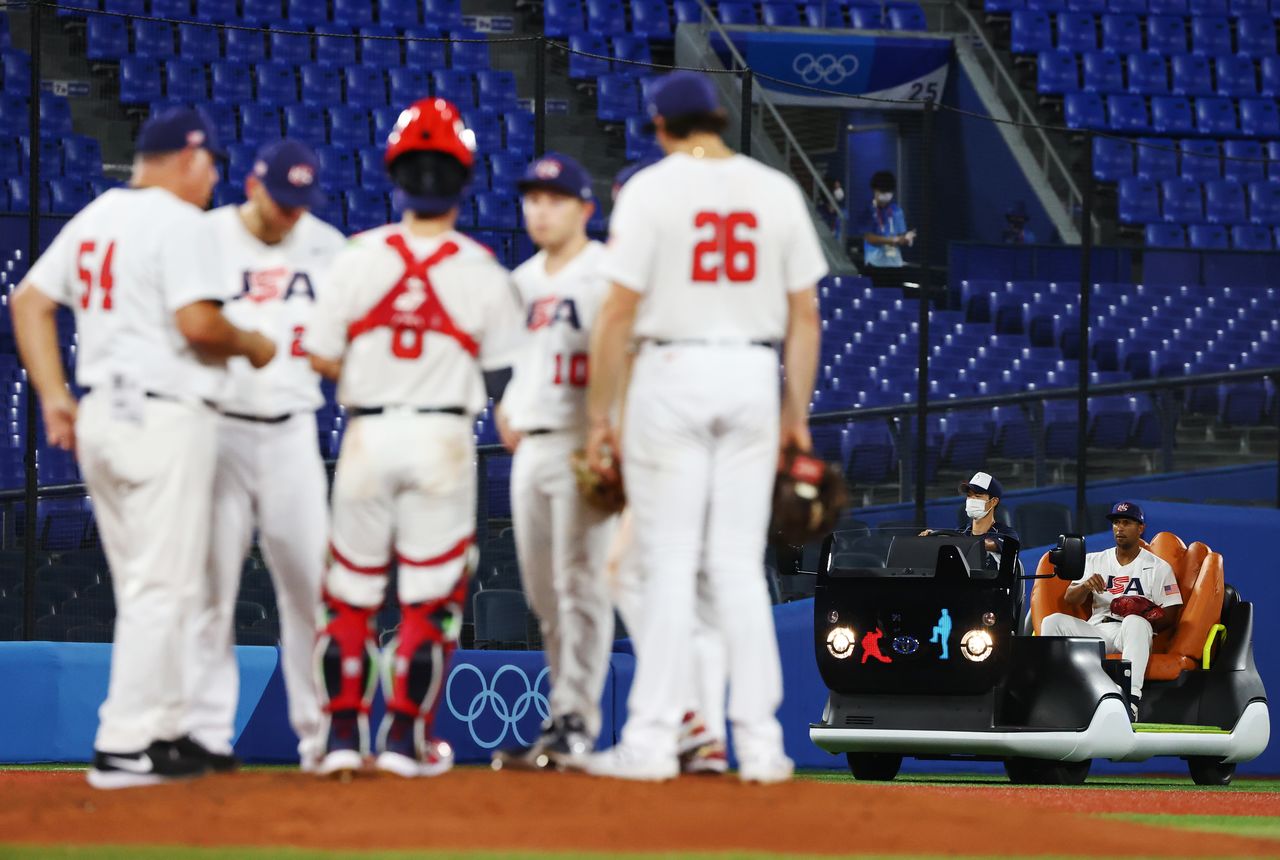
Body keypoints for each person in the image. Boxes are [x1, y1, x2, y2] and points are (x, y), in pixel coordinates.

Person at [10, 107, 277, 789]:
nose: (214, 177)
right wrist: (251, 341)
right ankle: (123, 742)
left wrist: (53, 395)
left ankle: (161, 732)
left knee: (146, 586)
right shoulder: (178, 222)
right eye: (211, 163)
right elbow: (198, 324)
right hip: (163, 417)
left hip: (102, 414)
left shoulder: (100, 214)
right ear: (188, 157)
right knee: (162, 584)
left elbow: (29, 301)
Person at [584, 70, 827, 783]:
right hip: (752, 375)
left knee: (666, 560)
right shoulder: (774, 189)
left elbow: (618, 312)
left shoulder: (652, 189)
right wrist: (796, 420)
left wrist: (600, 418)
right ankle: (761, 748)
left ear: (660, 127)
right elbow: (806, 316)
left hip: (672, 372)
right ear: (720, 119)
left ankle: (653, 742)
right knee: (735, 570)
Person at [302, 97, 523, 778]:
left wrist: (379, 366)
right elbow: (505, 375)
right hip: (444, 441)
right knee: (429, 601)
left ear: (394, 173)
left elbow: (319, 354)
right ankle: (403, 742)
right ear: (465, 177)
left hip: (367, 434)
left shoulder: (354, 257)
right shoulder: (485, 269)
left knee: (351, 596)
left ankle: (342, 735)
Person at [181, 139, 346, 774]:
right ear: (254, 185)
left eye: (299, 205)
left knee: (310, 587)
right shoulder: (208, 238)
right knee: (211, 589)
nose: (289, 216)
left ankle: (320, 736)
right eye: (281, 201)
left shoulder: (326, 245)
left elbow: (341, 341)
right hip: (218, 430)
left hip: (292, 432)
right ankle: (205, 736)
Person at [491, 153, 615, 770]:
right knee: (543, 591)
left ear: (585, 209)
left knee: (581, 584)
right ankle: (560, 717)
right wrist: (508, 407)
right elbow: (520, 363)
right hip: (533, 444)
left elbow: (621, 363)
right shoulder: (521, 281)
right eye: (532, 198)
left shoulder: (606, 275)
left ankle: (577, 718)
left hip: (581, 442)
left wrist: (608, 435)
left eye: (554, 198)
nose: (539, 208)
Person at [1042, 502, 1183, 722]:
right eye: (1116, 523)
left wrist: (1146, 612)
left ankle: (1130, 701)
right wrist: (1086, 586)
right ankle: (1055, 695)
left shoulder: (1158, 567)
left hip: (1130, 633)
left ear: (1140, 528)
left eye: (1126, 523)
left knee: (1135, 621)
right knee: (1052, 622)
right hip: (1097, 630)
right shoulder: (1095, 560)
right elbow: (1070, 599)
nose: (1119, 528)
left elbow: (1172, 614)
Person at [920, 471, 1020, 569]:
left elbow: (991, 545)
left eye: (977, 496)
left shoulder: (1006, 534)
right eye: (969, 496)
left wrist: (952, 541)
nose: (971, 500)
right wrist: (934, 539)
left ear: (993, 501)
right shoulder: (961, 532)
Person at [858, 170, 914, 268]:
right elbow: (869, 238)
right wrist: (892, 240)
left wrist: (906, 238)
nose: (886, 195)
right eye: (883, 191)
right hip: (874, 264)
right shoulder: (867, 211)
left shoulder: (897, 211)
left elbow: (901, 235)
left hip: (895, 263)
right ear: (875, 190)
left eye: (888, 192)